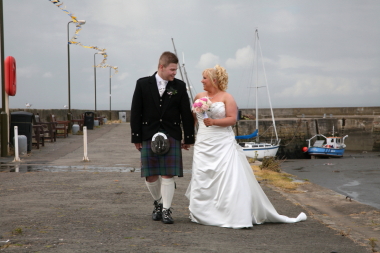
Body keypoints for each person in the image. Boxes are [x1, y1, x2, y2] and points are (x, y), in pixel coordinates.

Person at [185, 65, 307, 228]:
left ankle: (231, 213)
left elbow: (232, 119)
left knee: (227, 177)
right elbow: (193, 118)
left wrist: (214, 121)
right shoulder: (199, 96)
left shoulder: (227, 97)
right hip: (203, 143)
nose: (202, 80)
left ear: (214, 80)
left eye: (205, 78)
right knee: (202, 175)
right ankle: (202, 212)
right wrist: (187, 137)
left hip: (222, 143)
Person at [131, 51, 195, 224]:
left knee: (168, 174)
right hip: (147, 134)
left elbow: (185, 114)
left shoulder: (179, 86)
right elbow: (136, 112)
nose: (175, 73)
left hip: (171, 133)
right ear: (161, 67)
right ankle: (158, 203)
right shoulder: (143, 84)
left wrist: (189, 138)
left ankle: (167, 210)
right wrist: (136, 137)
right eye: (172, 70)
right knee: (151, 175)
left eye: (176, 70)